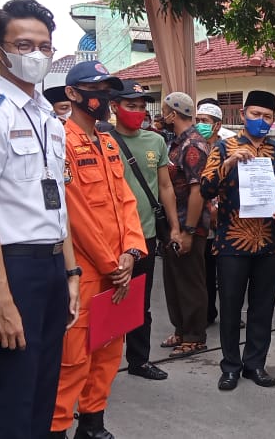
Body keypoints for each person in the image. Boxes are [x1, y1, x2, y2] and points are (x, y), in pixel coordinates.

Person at [0, 0, 79, 439]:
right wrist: (1, 299)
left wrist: (70, 271)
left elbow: (57, 201)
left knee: (46, 384)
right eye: (23, 45)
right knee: (14, 390)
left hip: (49, 264)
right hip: (12, 266)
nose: (37, 56)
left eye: (44, 46)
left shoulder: (50, 117)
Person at [51, 61, 147, 439]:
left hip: (118, 266)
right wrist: (112, 264)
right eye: (96, 89)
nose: (104, 97)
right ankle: (57, 427)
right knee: (73, 359)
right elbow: (73, 213)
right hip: (86, 271)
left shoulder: (107, 142)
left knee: (109, 349)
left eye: (108, 89)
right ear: (73, 94)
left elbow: (126, 201)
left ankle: (92, 424)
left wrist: (131, 252)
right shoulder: (62, 142)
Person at [200, 90, 275, 391]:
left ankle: (255, 364)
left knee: (262, 307)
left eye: (267, 116)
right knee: (230, 307)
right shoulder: (223, 147)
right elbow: (205, 188)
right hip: (232, 242)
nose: (261, 120)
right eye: (256, 115)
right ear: (243, 115)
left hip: (270, 243)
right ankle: (230, 366)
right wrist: (227, 164)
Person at [109, 80, 179, 380]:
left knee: (140, 301)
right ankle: (101, 364)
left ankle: (139, 361)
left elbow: (165, 187)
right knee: (105, 301)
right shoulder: (103, 140)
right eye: (130, 105)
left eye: (141, 107)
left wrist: (174, 227)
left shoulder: (156, 142)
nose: (137, 112)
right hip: (109, 237)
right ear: (114, 107)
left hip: (145, 234)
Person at [159, 92, 210, 358]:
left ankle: (194, 336)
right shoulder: (178, 143)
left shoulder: (193, 145)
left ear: (173, 114)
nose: (163, 115)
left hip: (189, 225)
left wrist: (189, 231)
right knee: (175, 280)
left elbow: (197, 191)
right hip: (174, 223)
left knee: (190, 281)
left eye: (165, 111)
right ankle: (181, 329)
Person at [195, 98, 226, 324]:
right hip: (202, 218)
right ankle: (206, 312)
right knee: (204, 270)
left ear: (216, 125)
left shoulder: (228, 148)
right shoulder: (194, 147)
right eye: (197, 120)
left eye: (204, 121)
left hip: (224, 219)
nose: (200, 125)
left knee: (225, 273)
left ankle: (229, 312)